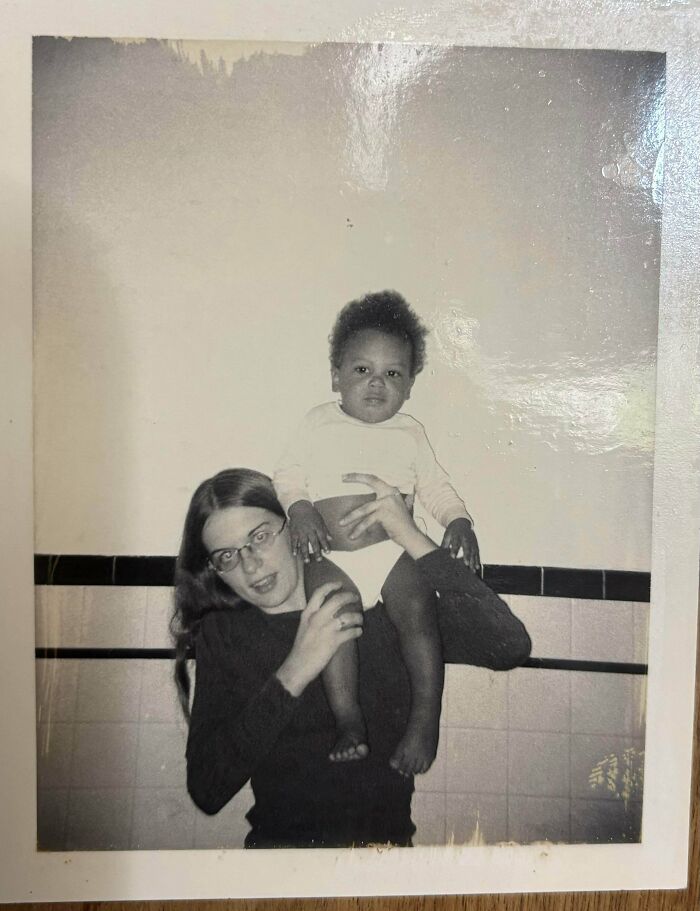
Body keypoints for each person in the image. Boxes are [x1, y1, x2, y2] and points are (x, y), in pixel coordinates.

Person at [173, 467, 531, 848]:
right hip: (281, 865)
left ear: (295, 521)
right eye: (226, 556)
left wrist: (411, 537)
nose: (250, 564)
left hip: (385, 865)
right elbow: (207, 789)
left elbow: (508, 646)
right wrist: (297, 667)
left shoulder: (386, 609)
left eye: (260, 536)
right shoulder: (227, 634)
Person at [273, 290, 479, 775]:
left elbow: (435, 486)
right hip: (332, 555)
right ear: (336, 376)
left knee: (419, 614)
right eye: (362, 370)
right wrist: (300, 509)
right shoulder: (318, 421)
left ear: (409, 385)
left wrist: (460, 521)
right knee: (332, 622)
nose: (376, 383)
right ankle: (349, 720)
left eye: (393, 374)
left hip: (392, 554)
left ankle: (425, 719)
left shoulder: (409, 432)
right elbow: (288, 474)